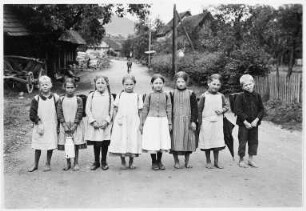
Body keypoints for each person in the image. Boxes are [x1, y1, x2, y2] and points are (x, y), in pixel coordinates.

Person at [109, 75, 143, 169]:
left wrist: (140, 123)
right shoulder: (120, 95)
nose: (129, 86)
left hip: (133, 122)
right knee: (122, 139)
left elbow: (140, 110)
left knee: (133, 140)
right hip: (121, 122)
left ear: (134, 84)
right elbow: (115, 109)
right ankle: (123, 161)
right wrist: (115, 121)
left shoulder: (137, 96)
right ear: (123, 85)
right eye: (126, 84)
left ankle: (131, 161)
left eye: (131, 84)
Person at [140, 74, 172, 170]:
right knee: (153, 141)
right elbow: (145, 108)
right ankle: (154, 161)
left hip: (163, 121)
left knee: (161, 140)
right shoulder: (148, 95)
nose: (158, 85)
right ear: (152, 84)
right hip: (151, 121)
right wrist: (142, 123)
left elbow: (169, 108)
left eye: (160, 83)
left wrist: (169, 122)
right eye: (156, 83)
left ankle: (160, 161)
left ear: (163, 84)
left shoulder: (166, 95)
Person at [28, 76, 59, 172]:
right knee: (38, 145)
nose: (45, 86)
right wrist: (37, 121)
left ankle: (48, 163)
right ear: (39, 87)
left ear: (50, 85)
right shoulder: (36, 99)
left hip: (51, 125)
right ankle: (35, 163)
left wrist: (59, 124)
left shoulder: (55, 98)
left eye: (47, 84)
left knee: (50, 144)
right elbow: (32, 113)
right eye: (42, 85)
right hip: (40, 125)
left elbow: (59, 111)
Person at [198, 74, 229, 169]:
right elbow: (199, 109)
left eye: (218, 85)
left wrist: (222, 110)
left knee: (216, 142)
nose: (215, 86)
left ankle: (216, 161)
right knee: (207, 141)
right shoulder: (204, 96)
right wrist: (199, 122)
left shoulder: (221, 96)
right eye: (213, 84)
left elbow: (226, 106)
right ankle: (208, 161)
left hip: (218, 122)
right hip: (206, 122)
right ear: (208, 83)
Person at [234, 74, 265, 168]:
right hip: (244, 124)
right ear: (242, 87)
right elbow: (238, 110)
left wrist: (256, 120)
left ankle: (251, 159)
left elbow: (262, 109)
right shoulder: (240, 96)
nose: (248, 86)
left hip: (254, 124)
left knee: (253, 141)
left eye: (249, 84)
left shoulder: (257, 96)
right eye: (245, 85)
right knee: (242, 141)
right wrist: (245, 122)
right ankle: (241, 160)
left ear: (253, 83)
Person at [170, 71, 198, 169]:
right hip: (175, 121)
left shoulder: (191, 93)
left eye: (183, 82)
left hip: (187, 121)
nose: (180, 84)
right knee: (174, 140)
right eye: (178, 82)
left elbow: (195, 108)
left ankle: (187, 161)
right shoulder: (172, 93)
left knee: (188, 140)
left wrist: (193, 121)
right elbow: (169, 108)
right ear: (175, 82)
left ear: (187, 82)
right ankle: (176, 160)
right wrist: (169, 122)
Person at [85, 75, 114, 170]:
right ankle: (96, 161)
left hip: (105, 124)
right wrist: (92, 121)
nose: (100, 84)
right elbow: (87, 109)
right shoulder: (91, 95)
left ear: (107, 84)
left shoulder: (109, 96)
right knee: (96, 143)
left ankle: (104, 161)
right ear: (95, 84)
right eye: (98, 83)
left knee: (105, 142)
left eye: (102, 83)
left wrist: (107, 121)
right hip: (95, 124)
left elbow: (111, 110)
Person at [57, 78, 86, 171]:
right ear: (64, 88)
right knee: (67, 144)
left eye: (72, 87)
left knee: (76, 144)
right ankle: (68, 162)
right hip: (65, 125)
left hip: (75, 125)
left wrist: (75, 125)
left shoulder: (78, 99)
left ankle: (76, 162)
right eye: (68, 87)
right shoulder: (61, 99)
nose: (70, 89)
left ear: (75, 88)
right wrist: (64, 125)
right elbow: (59, 112)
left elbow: (80, 112)